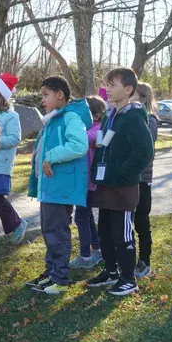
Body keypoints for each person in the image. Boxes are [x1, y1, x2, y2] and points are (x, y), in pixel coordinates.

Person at [87, 67, 154, 296]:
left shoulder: (133, 117)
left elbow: (145, 151)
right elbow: (102, 145)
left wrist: (124, 173)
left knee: (122, 235)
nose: (108, 89)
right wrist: (97, 168)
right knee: (104, 232)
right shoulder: (110, 115)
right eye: (107, 84)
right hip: (105, 184)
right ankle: (110, 271)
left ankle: (128, 278)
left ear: (128, 90)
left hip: (123, 188)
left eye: (113, 85)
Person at [25, 76, 92, 295]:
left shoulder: (70, 117)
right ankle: (51, 273)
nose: (42, 100)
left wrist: (52, 156)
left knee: (57, 233)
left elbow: (79, 145)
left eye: (46, 95)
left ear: (60, 95)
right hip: (51, 187)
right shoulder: (53, 119)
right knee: (49, 231)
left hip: (61, 188)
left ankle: (60, 279)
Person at [0, 73, 28, 244]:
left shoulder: (11, 115)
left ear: (2, 94)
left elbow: (15, 139)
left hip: (1, 163)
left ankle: (17, 223)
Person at [69, 95, 106, 269]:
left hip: (88, 183)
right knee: (87, 216)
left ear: (94, 115)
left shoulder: (97, 129)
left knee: (81, 217)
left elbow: (85, 137)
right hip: (85, 182)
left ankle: (85, 256)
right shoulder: (95, 127)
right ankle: (97, 249)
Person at [130, 82, 159, 278]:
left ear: (142, 98)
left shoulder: (150, 120)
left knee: (141, 221)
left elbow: (143, 145)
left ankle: (144, 261)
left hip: (142, 179)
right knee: (126, 221)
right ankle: (127, 259)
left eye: (132, 94)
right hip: (128, 179)